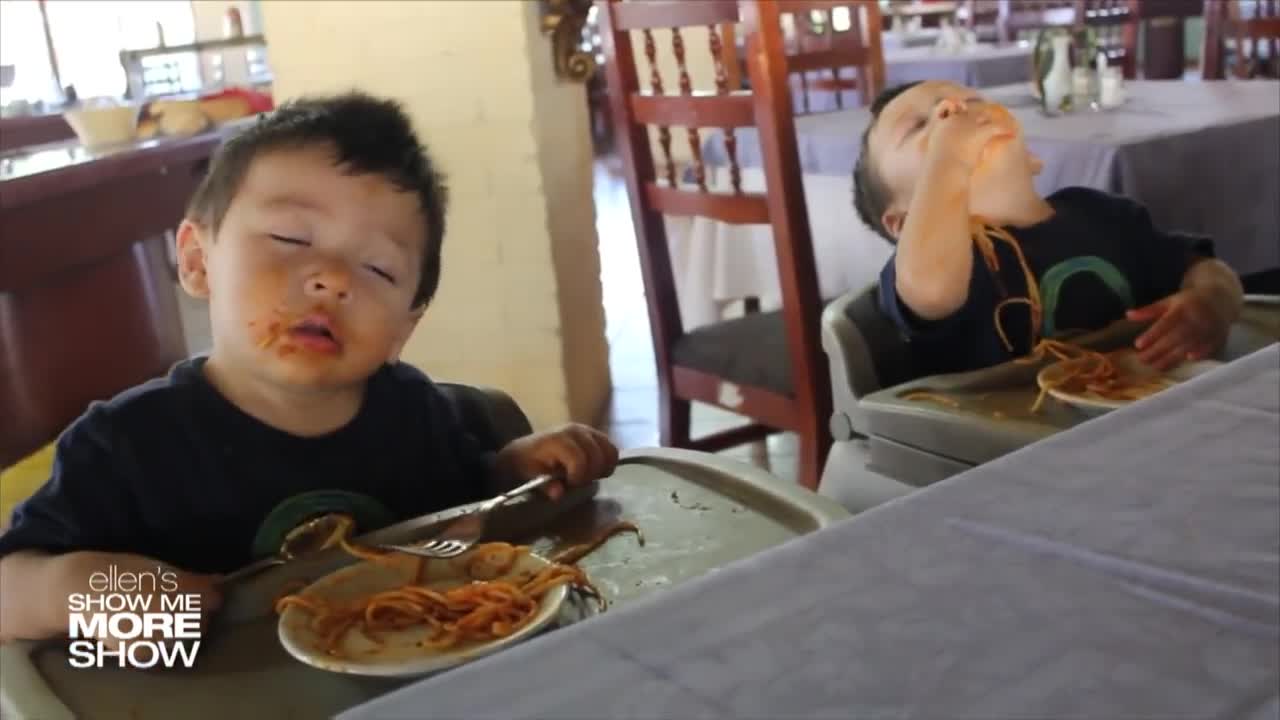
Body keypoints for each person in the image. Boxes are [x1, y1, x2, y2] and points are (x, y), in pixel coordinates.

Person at [0, 92, 618, 645]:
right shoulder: (124, 447)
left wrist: (515, 472)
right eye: (292, 239)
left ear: (405, 326)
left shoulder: (414, 413)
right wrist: (71, 592)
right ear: (196, 260)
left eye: (378, 269)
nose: (333, 279)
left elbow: (463, 506)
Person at [852, 81, 1243, 377]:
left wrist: (1212, 300)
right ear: (904, 224)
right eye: (921, 126)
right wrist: (949, 157)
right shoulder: (928, 272)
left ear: (1032, 157)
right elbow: (931, 289)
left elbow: (1203, 266)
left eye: (972, 104)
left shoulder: (1102, 215)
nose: (953, 113)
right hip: (1005, 451)